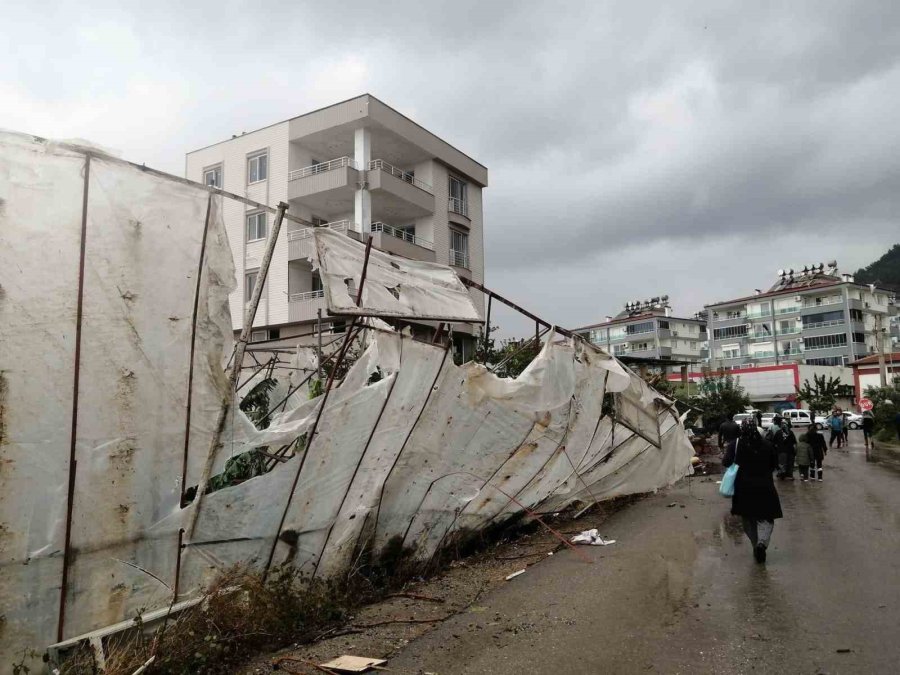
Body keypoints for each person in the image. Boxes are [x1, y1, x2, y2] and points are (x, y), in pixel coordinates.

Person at [723, 419, 783, 563]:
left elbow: (726, 462)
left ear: (742, 429)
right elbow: (774, 465)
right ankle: (762, 543)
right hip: (765, 487)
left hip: (743, 489)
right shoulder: (768, 445)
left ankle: (755, 544)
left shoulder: (735, 445)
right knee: (767, 518)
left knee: (748, 520)